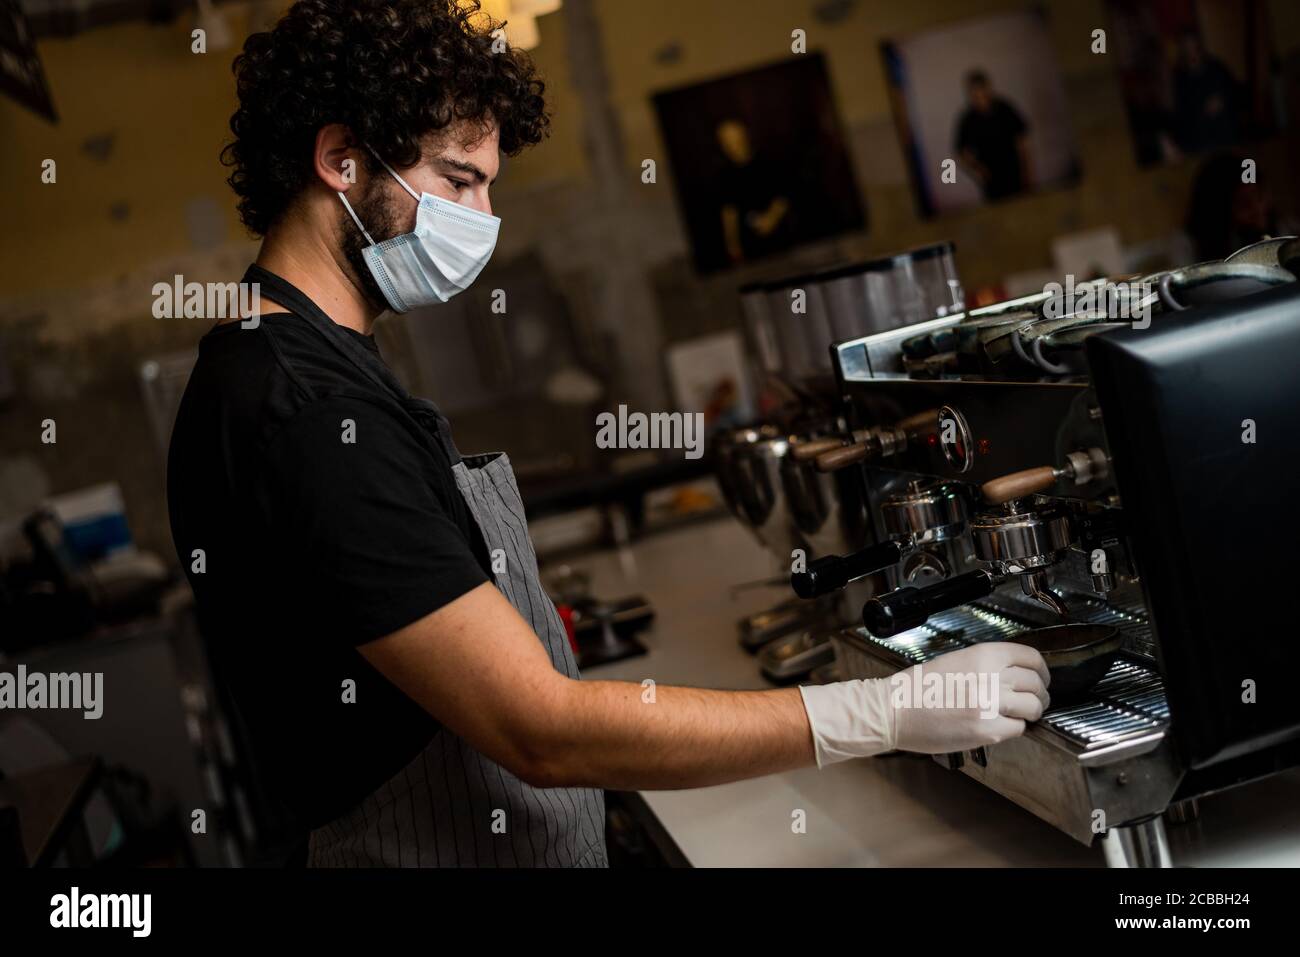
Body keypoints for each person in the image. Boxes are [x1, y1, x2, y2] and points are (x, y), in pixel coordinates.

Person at [167, 0, 1049, 868]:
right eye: (457, 179)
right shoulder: (308, 410)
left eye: (489, 186)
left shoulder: (302, 363)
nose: (479, 219)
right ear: (340, 160)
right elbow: (538, 727)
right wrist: (877, 712)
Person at [714, 118, 791, 265]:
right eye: (726, 141)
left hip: (780, 235)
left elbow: (783, 195)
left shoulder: (768, 162)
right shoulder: (724, 176)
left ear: (744, 136)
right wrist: (732, 244)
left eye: (734, 139)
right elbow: (729, 212)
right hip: (751, 244)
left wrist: (771, 218)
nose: (732, 146)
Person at [954, 70, 1032, 201]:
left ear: (988, 88)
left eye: (981, 91)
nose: (979, 97)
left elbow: (1022, 140)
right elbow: (960, 152)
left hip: (1016, 173)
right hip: (992, 182)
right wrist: (978, 171)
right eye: (974, 93)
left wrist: (1028, 171)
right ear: (969, 94)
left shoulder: (1005, 107)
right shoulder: (967, 119)